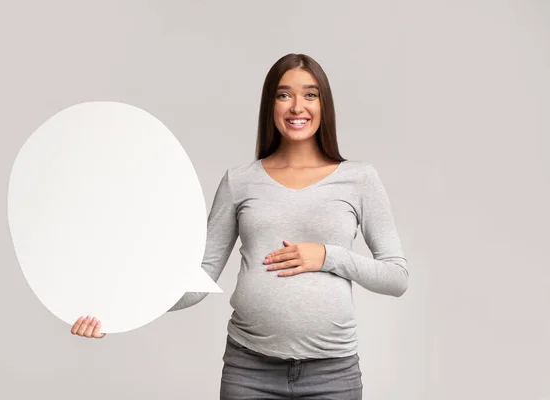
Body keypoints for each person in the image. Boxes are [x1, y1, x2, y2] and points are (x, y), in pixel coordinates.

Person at [71, 53, 409, 399]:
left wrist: (327, 256)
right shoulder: (239, 181)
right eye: (283, 95)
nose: (297, 107)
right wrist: (114, 309)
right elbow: (197, 280)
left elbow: (397, 278)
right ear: (270, 105)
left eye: (310, 94)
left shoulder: (359, 179)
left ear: (325, 105)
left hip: (332, 375)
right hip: (250, 372)